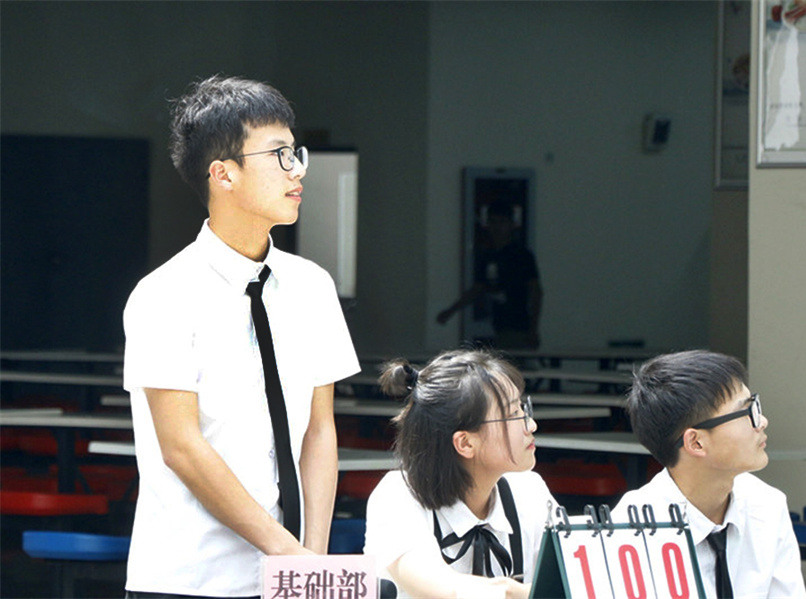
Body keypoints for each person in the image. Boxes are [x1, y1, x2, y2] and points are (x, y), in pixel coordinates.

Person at [122, 75, 359, 598]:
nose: (297, 169)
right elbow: (181, 446)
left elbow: (318, 431)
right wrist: (284, 550)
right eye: (278, 154)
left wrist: (310, 560)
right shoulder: (163, 294)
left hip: (292, 577)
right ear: (223, 173)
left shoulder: (312, 286)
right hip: (190, 578)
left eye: (295, 152)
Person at [612, 350, 806, 598]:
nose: (762, 421)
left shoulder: (766, 505)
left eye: (755, 405)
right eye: (746, 412)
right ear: (696, 442)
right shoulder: (632, 529)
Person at [364, 349, 557, 599]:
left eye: (523, 409)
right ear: (465, 443)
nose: (531, 425)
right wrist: (516, 591)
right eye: (512, 415)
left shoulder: (529, 490)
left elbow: (576, 580)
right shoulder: (397, 495)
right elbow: (442, 589)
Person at [437, 200, 543, 350]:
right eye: (493, 222)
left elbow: (536, 291)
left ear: (511, 224)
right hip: (497, 325)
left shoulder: (521, 255)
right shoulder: (488, 256)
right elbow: (477, 289)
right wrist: (451, 311)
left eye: (502, 222)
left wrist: (533, 329)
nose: (497, 227)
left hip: (518, 327)